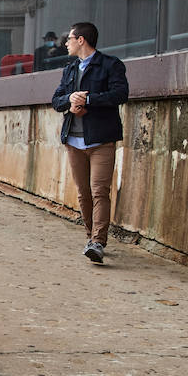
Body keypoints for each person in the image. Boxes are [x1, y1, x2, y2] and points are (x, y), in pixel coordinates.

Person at [50, 21, 129, 265]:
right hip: (73, 140)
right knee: (84, 194)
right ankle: (89, 237)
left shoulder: (110, 65)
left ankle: (98, 241)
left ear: (81, 40)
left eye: (69, 39)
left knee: (99, 191)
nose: (66, 43)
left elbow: (120, 94)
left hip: (101, 139)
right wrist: (69, 99)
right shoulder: (70, 69)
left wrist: (89, 99)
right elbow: (56, 100)